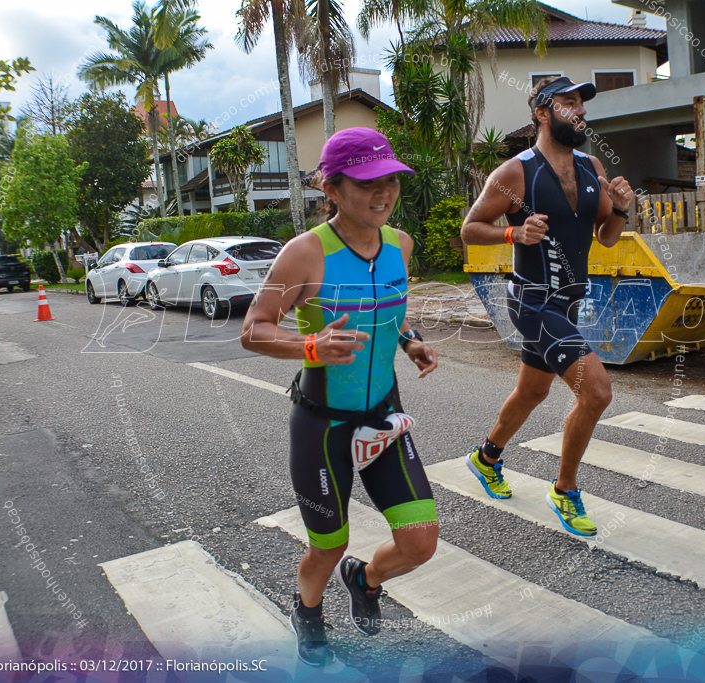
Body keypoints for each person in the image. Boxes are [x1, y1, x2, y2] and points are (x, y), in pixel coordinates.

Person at [241, 127, 439, 666]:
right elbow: (254, 328)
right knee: (328, 544)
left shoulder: (400, 244)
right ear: (331, 188)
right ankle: (307, 611)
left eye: (391, 180)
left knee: (421, 541)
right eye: (367, 182)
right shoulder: (304, 254)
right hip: (322, 425)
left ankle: (366, 579)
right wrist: (310, 344)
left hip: (383, 416)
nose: (384, 193)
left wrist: (410, 340)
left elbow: (392, 310)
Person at [460, 76, 634, 536]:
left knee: (533, 392)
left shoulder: (590, 165)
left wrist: (619, 209)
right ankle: (565, 489)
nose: (579, 112)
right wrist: (512, 233)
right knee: (595, 392)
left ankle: (486, 456)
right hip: (534, 302)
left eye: (582, 104)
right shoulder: (515, 172)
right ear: (542, 112)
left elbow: (606, 237)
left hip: (571, 302)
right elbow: (471, 228)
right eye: (568, 103)